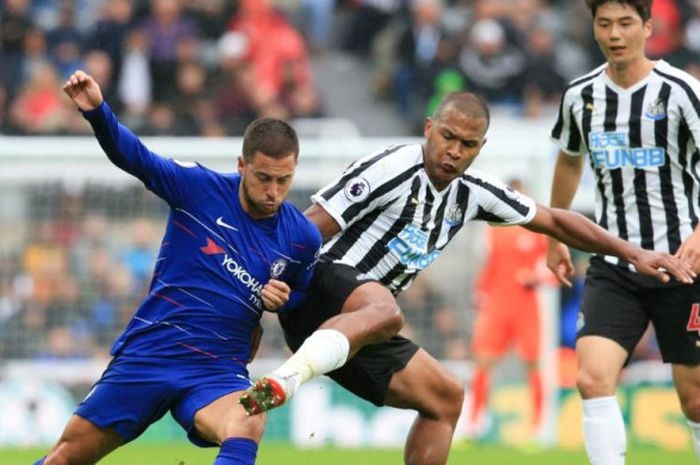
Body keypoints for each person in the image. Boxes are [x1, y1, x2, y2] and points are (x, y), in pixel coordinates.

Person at [240, 91, 695, 465]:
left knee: (446, 398)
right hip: (319, 288)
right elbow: (306, 227)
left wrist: (633, 252)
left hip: (360, 325)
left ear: (481, 147)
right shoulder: (392, 168)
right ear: (428, 128)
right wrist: (263, 285)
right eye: (448, 136)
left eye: (468, 144)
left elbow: (554, 220)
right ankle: (288, 379)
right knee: (385, 307)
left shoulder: (474, 193)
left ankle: (289, 376)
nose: (455, 151)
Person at [33, 70, 322, 465]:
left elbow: (301, 299)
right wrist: (98, 112)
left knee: (249, 418)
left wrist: (284, 301)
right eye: (263, 178)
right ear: (241, 165)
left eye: (284, 180)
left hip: (217, 369)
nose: (273, 191)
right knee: (65, 458)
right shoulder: (198, 188)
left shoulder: (302, 237)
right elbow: (137, 158)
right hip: (152, 351)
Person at [546, 1, 700, 464]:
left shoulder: (681, 92)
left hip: (684, 264)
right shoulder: (580, 96)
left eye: (626, 23)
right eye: (605, 23)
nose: (615, 33)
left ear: (648, 27)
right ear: (594, 28)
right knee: (592, 377)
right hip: (615, 263)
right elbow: (570, 161)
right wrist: (555, 233)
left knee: (694, 398)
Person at [467, 179, 548, 440]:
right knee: (483, 362)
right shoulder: (493, 230)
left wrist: (537, 278)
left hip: (527, 307)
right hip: (497, 306)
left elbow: (553, 271)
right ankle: (475, 424)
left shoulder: (538, 231)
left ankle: (537, 429)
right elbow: (488, 266)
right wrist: (481, 294)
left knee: (533, 364)